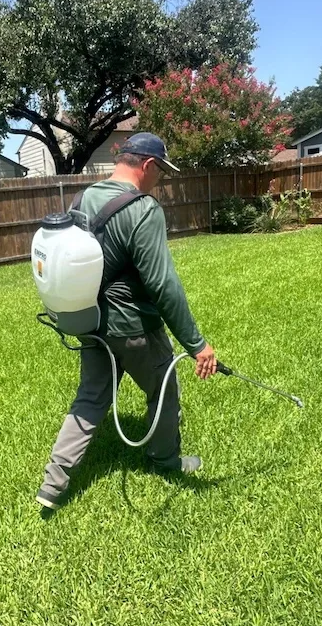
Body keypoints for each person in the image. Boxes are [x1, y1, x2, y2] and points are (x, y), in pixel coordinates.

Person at [36, 132, 217, 512]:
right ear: (148, 165)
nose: (160, 181)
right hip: (135, 329)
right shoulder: (144, 209)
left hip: (91, 322)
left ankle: (53, 484)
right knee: (163, 394)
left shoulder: (84, 198)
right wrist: (196, 344)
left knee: (90, 400)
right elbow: (163, 284)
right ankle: (165, 462)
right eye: (161, 173)